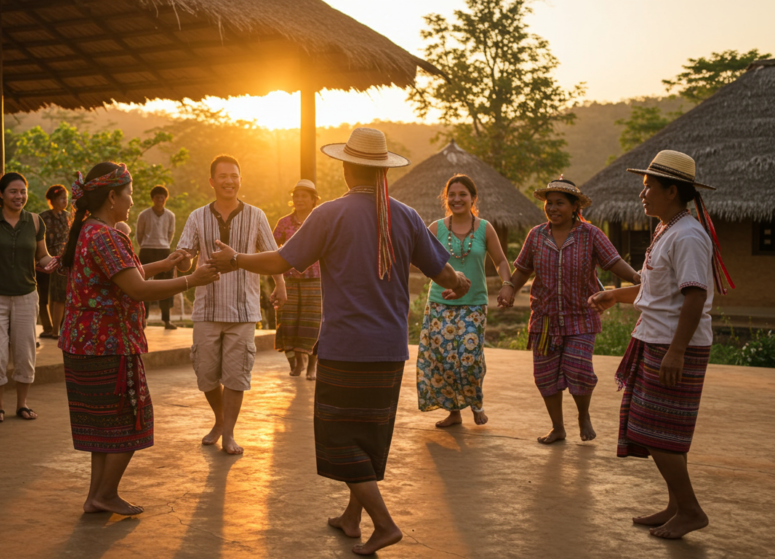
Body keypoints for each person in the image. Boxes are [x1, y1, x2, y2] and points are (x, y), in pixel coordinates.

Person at [209, 127, 471, 555]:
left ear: (348, 168)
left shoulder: (330, 214)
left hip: (346, 350)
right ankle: (352, 518)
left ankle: (383, 524)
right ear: (382, 170)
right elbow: (444, 275)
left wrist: (234, 259)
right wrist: (460, 282)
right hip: (389, 350)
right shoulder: (403, 215)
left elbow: (282, 259)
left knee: (340, 439)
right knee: (367, 437)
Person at [58, 162, 219, 516]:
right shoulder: (108, 236)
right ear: (112, 197)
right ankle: (105, 493)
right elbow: (137, 288)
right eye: (128, 194)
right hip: (109, 345)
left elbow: (124, 276)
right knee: (133, 418)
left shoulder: (89, 231)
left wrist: (166, 264)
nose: (132, 201)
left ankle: (97, 496)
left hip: (83, 345)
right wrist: (195, 280)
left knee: (103, 427)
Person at [588, 150, 732, 539]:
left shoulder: (687, 236)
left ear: (672, 191)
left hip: (673, 344)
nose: (643, 193)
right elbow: (657, 290)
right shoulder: (668, 230)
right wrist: (615, 296)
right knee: (661, 430)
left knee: (656, 430)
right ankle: (675, 505)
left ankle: (690, 510)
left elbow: (694, 297)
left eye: (649, 186)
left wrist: (677, 351)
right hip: (656, 339)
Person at [501, 177, 640, 444]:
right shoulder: (536, 235)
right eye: (549, 203)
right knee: (545, 375)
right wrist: (509, 288)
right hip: (544, 320)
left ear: (575, 206)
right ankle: (557, 427)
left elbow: (613, 262)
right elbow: (523, 270)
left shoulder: (591, 234)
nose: (553, 208)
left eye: (560, 203)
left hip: (581, 317)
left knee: (579, 369)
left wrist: (636, 278)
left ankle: (583, 415)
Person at [175, 154, 287, 456]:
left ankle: (229, 433)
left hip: (244, 309)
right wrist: (184, 259)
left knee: (237, 375)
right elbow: (185, 259)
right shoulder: (197, 216)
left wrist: (280, 286)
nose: (229, 181)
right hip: (206, 308)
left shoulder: (256, 215)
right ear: (212, 181)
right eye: (223, 176)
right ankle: (220, 419)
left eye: (234, 175)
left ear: (240, 179)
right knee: (206, 374)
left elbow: (272, 255)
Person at [417, 174, 512, 427]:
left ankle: (476, 403)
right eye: (452, 195)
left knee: (468, 359)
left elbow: (501, 261)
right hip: (439, 302)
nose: (456, 199)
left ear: (473, 198)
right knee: (445, 360)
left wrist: (506, 284)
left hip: (474, 304)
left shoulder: (484, 227)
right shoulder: (436, 228)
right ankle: (454, 412)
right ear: (446, 198)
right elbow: (418, 256)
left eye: (462, 194)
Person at [0, 173, 58, 423]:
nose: (19, 196)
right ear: (1, 194)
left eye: (23, 191)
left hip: (26, 296)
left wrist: (58, 262)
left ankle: (22, 404)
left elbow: (43, 256)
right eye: (14, 192)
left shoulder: (36, 222)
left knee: (25, 352)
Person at [272, 179, 322, 380]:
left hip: (316, 281)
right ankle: (295, 362)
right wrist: (277, 281)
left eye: (304, 196)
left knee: (314, 325)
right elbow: (271, 248)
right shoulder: (284, 223)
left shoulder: (320, 220)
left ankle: (311, 366)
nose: (299, 199)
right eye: (296, 196)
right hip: (289, 280)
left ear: (313, 200)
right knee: (287, 323)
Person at [136, 185, 177, 329]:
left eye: (162, 197)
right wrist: (147, 244)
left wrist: (163, 244)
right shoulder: (144, 215)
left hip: (164, 250)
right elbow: (139, 235)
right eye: (157, 197)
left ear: (165, 199)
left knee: (166, 286)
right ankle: (143, 319)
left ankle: (166, 320)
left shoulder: (170, 215)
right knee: (143, 285)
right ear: (152, 199)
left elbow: (170, 234)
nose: (160, 200)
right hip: (147, 250)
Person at [37, 185, 71, 339]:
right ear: (53, 200)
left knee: (60, 295)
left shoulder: (69, 216)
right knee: (43, 296)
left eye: (66, 198)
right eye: (62, 198)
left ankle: (58, 328)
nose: (65, 201)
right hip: (44, 259)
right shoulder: (43, 217)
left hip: (62, 261)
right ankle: (47, 327)